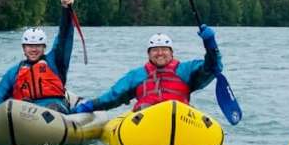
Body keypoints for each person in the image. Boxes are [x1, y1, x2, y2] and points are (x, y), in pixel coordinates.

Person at [72, 25, 221, 114]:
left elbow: (213, 67)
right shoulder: (137, 75)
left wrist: (210, 45)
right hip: (145, 116)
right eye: (155, 50)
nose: (160, 53)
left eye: (164, 49)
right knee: (143, 106)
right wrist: (90, 105)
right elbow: (113, 96)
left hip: (179, 115)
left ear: (171, 52)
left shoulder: (186, 69)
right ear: (148, 54)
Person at [0, 0, 76, 112]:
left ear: (44, 47)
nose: (33, 49)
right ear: (24, 48)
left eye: (38, 46)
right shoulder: (14, 72)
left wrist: (66, 9)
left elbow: (64, 36)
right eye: (30, 46)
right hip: (24, 111)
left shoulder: (55, 61)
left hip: (53, 108)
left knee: (52, 108)